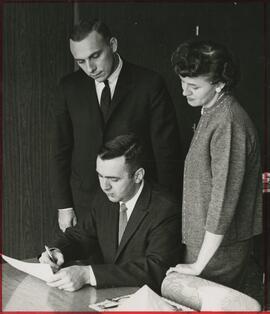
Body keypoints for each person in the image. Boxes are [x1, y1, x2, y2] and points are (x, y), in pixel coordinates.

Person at [50, 19, 183, 232]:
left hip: (139, 204)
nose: (90, 68)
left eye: (95, 56)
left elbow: (167, 154)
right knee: (87, 266)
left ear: (112, 45)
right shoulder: (68, 87)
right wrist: (64, 206)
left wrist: (165, 210)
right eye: (81, 61)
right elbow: (60, 151)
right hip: (86, 203)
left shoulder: (150, 84)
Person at [166, 40, 262, 291]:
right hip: (204, 244)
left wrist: (198, 265)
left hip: (218, 252)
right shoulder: (212, 111)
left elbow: (224, 200)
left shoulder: (228, 122)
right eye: (182, 81)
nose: (185, 91)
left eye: (194, 86)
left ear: (220, 84)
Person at [40, 134, 182, 292]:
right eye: (100, 176)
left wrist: (88, 274)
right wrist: (56, 251)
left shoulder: (165, 209)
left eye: (113, 179)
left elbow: (155, 269)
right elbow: (80, 236)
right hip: (108, 296)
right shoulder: (104, 199)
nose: (104, 186)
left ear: (138, 176)